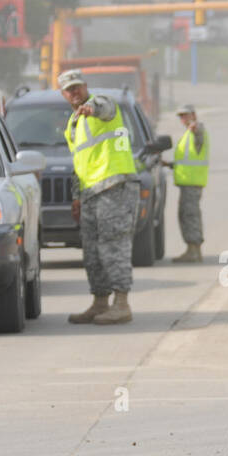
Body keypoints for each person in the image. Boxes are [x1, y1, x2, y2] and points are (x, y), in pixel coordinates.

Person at [59, 69, 136, 325]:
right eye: (69, 89)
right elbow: (79, 163)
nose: (75, 92)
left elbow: (103, 107)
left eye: (78, 86)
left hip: (114, 187)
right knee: (92, 252)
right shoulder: (73, 124)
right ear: (63, 94)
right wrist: (77, 197)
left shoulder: (102, 104)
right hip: (90, 193)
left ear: (85, 86)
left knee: (114, 246)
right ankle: (100, 302)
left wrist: (92, 108)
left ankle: (122, 304)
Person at [164, 104, 208, 262]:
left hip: (192, 183)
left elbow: (199, 132)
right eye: (181, 116)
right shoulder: (187, 134)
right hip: (187, 183)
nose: (183, 119)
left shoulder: (196, 130)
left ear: (194, 115)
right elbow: (186, 161)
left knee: (190, 215)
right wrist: (169, 164)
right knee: (185, 215)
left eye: (186, 115)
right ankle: (191, 249)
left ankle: (194, 250)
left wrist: (195, 127)